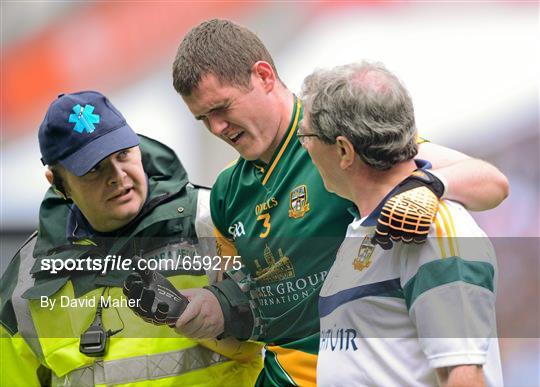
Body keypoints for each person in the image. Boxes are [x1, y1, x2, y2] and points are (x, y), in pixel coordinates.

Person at [127, 19, 508, 386]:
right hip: (279, 376)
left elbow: (490, 183)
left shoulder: (335, 138)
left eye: (222, 108)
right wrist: (204, 309)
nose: (217, 129)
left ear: (263, 76)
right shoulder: (227, 191)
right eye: (202, 119)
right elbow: (244, 306)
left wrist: (427, 185)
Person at [0, 91, 262, 386]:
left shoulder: (214, 219)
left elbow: (292, 326)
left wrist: (227, 311)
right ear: (58, 183)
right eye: (93, 168)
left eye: (122, 154)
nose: (117, 176)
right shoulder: (27, 279)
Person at [300, 61, 503, 386]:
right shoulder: (363, 226)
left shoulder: (430, 228)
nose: (305, 148)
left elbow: (464, 375)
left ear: (343, 150)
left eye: (305, 137)